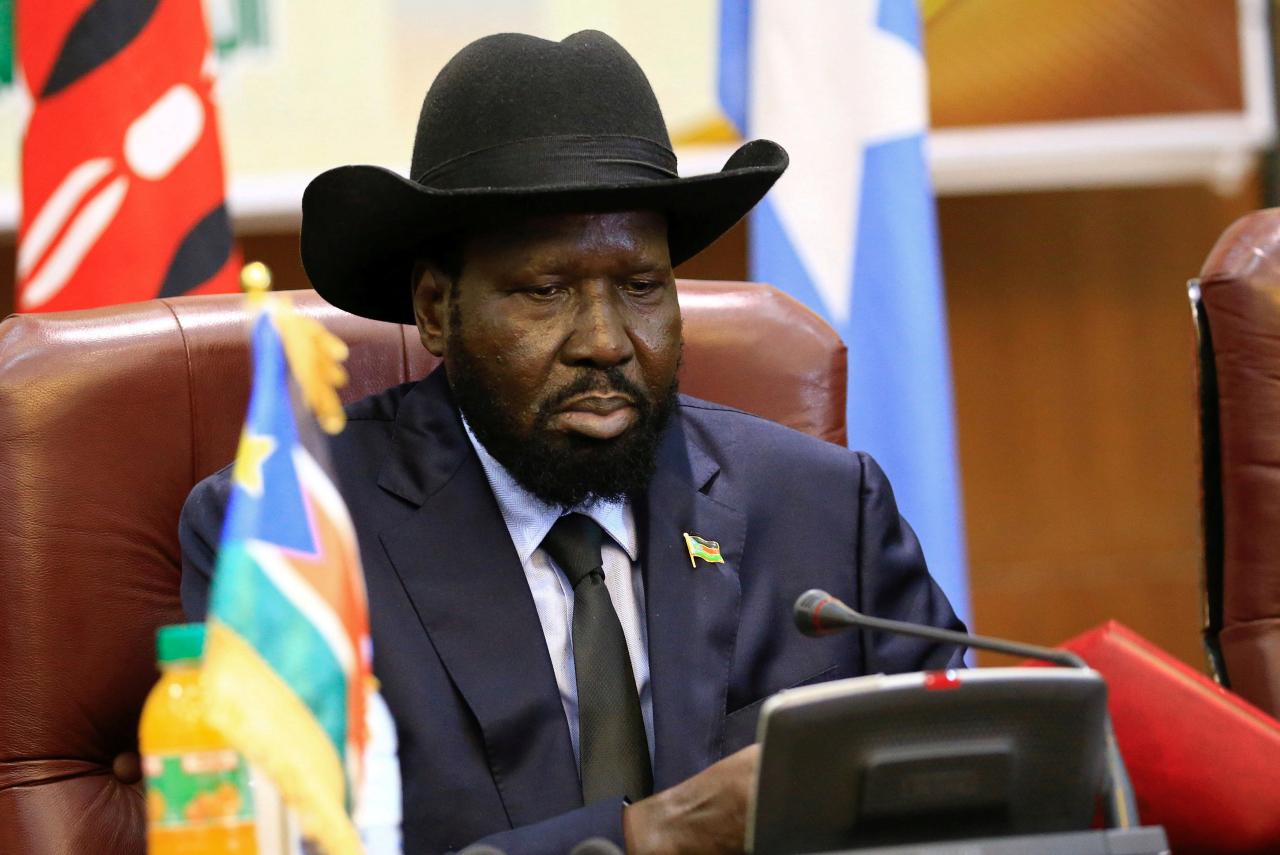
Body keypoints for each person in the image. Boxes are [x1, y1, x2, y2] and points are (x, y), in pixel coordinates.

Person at [179, 30, 965, 855]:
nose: (605, 340)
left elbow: (968, 793)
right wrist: (652, 832)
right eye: (546, 291)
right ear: (437, 308)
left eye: (641, 287)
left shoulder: (822, 509)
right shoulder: (295, 534)